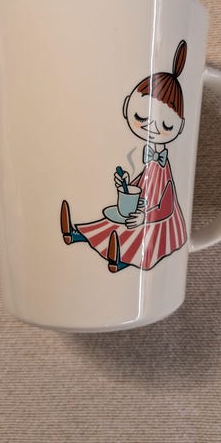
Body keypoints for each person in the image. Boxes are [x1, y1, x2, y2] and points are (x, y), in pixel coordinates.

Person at [60, 40, 188, 273]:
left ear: (180, 128)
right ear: (127, 105)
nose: (150, 128)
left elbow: (166, 206)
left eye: (166, 125)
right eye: (141, 117)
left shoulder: (163, 164)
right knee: (116, 218)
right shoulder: (152, 160)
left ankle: (118, 260)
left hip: (159, 219)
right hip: (144, 207)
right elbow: (144, 184)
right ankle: (79, 234)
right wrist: (126, 186)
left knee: (137, 231)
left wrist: (144, 217)